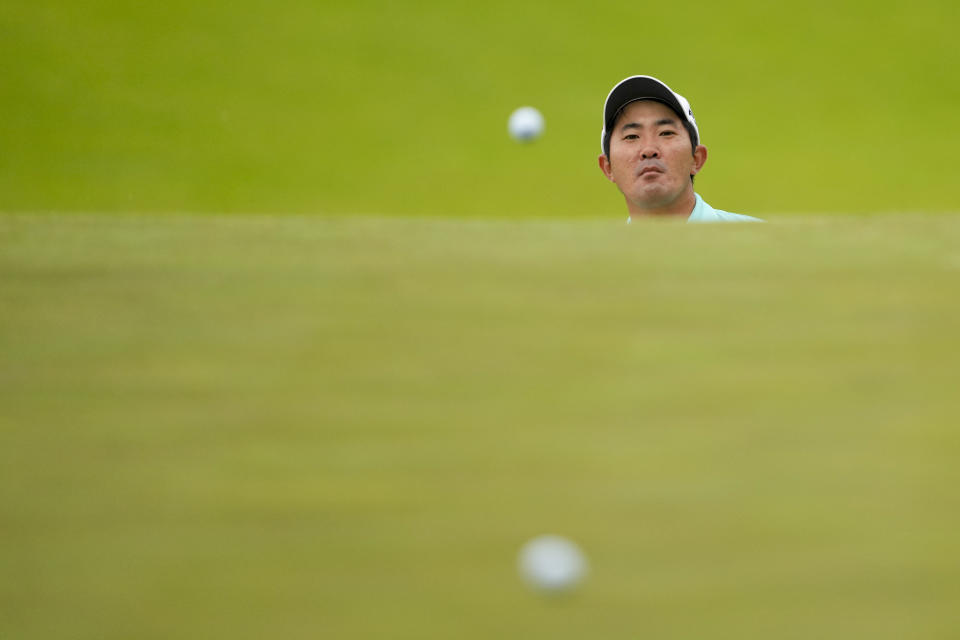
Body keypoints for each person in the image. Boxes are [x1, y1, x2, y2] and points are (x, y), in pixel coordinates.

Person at [598, 75, 762, 223]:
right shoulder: (595, 256)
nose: (648, 150)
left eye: (666, 133)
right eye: (631, 136)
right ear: (608, 167)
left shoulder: (761, 242)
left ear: (696, 159)